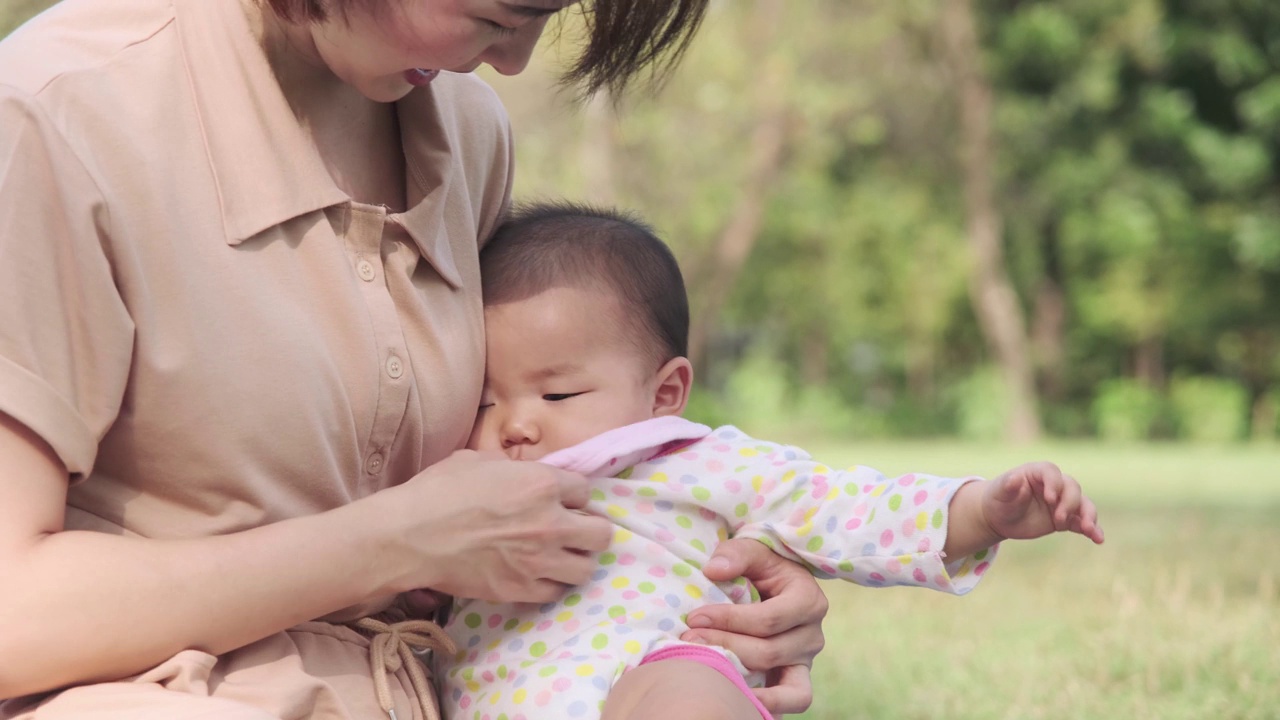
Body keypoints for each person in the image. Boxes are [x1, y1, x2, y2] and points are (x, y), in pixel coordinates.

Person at [0, 2, 830, 719]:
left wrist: (698, 591)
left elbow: (515, 482)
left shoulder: (464, 129)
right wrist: (392, 543)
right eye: (503, 13)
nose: (512, 61)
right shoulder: (58, 113)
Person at [448, 201, 1106, 720]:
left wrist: (980, 509)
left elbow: (849, 508)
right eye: (484, 400)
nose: (516, 425)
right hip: (502, 698)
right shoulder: (463, 491)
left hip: (659, 664)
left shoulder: (697, 462)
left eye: (557, 393)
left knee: (688, 698)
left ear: (664, 392)